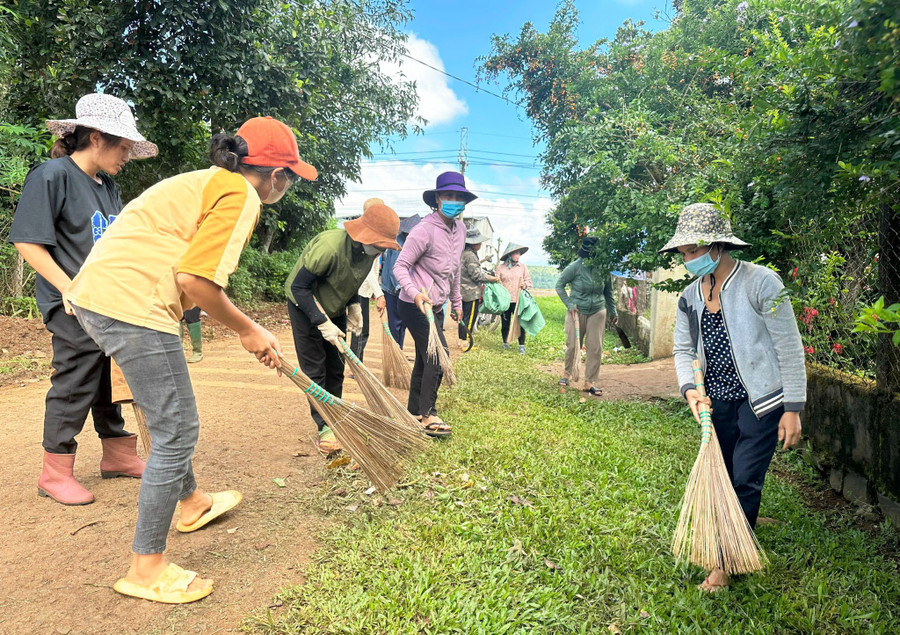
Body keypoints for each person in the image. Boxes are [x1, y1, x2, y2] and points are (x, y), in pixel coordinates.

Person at [67, 116, 316, 603]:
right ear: (271, 173)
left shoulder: (209, 182)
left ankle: (193, 503)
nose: (285, 185)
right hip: (130, 305)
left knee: (169, 422)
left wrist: (243, 327)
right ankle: (146, 567)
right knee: (178, 430)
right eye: (287, 175)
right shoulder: (241, 195)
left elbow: (184, 270)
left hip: (103, 298)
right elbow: (197, 282)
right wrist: (249, 329)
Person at [10, 93, 157, 506]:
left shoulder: (107, 186)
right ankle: (55, 470)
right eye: (124, 148)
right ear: (96, 137)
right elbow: (28, 241)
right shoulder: (51, 176)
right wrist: (68, 288)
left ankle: (118, 454)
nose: (127, 156)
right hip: (70, 301)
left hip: (108, 301)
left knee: (109, 375)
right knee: (76, 376)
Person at [661, 203, 805, 592]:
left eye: (694, 251)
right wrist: (691, 390)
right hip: (717, 399)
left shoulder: (761, 283)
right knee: (722, 474)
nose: (688, 259)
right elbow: (682, 348)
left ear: (718, 246)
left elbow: (789, 347)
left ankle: (724, 563)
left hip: (762, 400)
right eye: (684, 252)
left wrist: (793, 408)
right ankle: (740, 528)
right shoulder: (690, 296)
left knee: (744, 476)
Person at [285, 202, 401, 455]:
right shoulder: (330, 247)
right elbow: (298, 288)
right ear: (366, 236)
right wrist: (320, 321)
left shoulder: (368, 255)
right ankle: (324, 426)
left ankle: (335, 414)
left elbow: (348, 281)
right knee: (315, 369)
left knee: (336, 367)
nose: (382, 250)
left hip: (335, 307)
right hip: (305, 307)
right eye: (381, 244)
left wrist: (353, 306)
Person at [394, 171, 471, 437]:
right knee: (438, 357)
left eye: (458, 197)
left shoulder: (460, 230)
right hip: (414, 305)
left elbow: (455, 270)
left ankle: (415, 411)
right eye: (448, 195)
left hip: (436, 306)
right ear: (437, 199)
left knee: (425, 359)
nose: (453, 201)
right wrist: (415, 293)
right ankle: (429, 414)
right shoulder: (423, 231)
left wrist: (457, 302)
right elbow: (400, 266)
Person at [555, 236, 618, 396]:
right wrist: (570, 304)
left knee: (595, 348)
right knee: (573, 345)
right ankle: (567, 374)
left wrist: (613, 311)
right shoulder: (575, 267)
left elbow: (608, 291)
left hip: (597, 311)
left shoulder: (603, 269)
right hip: (577, 311)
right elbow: (559, 285)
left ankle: (589, 382)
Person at [350, 199, 388, 362]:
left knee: (359, 329)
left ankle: (357, 364)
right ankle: (356, 366)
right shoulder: (366, 235)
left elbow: (372, 267)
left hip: (361, 289)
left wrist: (372, 291)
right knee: (360, 330)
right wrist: (379, 294)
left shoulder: (368, 231)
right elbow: (366, 270)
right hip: (357, 288)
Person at [381, 214, 421, 349]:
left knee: (402, 323)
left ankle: (399, 350)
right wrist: (403, 288)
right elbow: (394, 271)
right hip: (393, 290)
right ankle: (396, 352)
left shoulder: (406, 241)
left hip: (398, 288)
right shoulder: (400, 244)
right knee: (396, 323)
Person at [458, 227, 499, 350]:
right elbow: (476, 275)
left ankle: (461, 340)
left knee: (463, 318)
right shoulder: (470, 256)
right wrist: (491, 278)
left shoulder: (464, 253)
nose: (480, 244)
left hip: (462, 291)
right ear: (473, 243)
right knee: (470, 318)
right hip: (470, 293)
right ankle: (466, 342)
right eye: (479, 242)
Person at [496, 242, 533, 354]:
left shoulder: (522, 267)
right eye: (516, 253)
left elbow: (529, 281)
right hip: (505, 300)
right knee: (505, 322)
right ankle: (505, 343)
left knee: (520, 323)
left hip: (518, 300)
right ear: (510, 254)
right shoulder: (501, 268)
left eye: (519, 253)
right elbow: (496, 283)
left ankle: (521, 345)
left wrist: (525, 285)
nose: (518, 255)